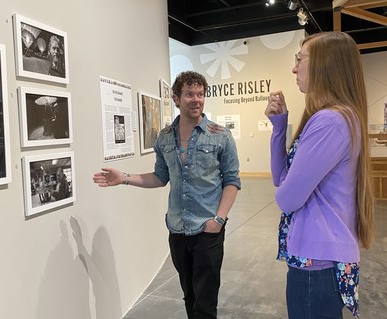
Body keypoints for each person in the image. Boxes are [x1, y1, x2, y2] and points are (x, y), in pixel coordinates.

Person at [93, 71, 241, 319]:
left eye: (201, 94)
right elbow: (160, 178)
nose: (196, 100)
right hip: (177, 231)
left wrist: (219, 220)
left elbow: (232, 181)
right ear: (176, 98)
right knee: (189, 296)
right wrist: (125, 178)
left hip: (208, 230)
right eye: (189, 94)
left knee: (205, 303)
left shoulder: (220, 135)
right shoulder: (164, 138)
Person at [265, 31, 374, 319]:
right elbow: (281, 179)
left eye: (300, 59)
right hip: (321, 258)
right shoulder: (338, 117)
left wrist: (286, 187)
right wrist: (279, 127)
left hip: (317, 263)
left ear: (326, 64)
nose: (294, 67)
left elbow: (286, 198)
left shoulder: (330, 121)